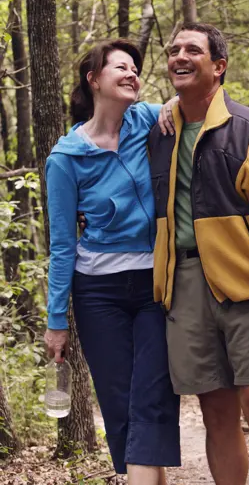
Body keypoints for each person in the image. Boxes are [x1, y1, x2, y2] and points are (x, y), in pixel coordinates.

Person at [148, 22, 249, 485]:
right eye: (174, 49)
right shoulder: (159, 133)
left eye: (192, 50)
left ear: (218, 66)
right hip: (186, 290)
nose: (179, 56)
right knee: (216, 412)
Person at [44, 39, 180, 485]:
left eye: (135, 68)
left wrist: (176, 101)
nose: (132, 74)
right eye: (120, 67)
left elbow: (192, 101)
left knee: (152, 394)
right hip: (97, 292)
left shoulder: (148, 120)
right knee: (120, 403)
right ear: (94, 80)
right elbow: (63, 244)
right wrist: (56, 320)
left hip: (154, 284)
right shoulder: (66, 159)